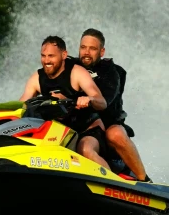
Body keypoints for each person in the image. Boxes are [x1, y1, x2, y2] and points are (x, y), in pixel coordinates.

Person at [19, 36, 109, 169]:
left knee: (85, 150)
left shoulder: (77, 73)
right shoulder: (37, 78)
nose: (46, 61)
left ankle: (112, 184)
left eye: (51, 56)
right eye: (43, 56)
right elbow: (21, 105)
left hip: (88, 129)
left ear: (64, 55)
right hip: (60, 133)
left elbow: (102, 102)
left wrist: (89, 99)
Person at [75, 29, 151, 182]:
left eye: (92, 48)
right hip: (80, 125)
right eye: (83, 47)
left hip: (108, 124)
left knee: (115, 134)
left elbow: (105, 102)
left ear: (102, 51)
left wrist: (89, 99)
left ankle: (145, 181)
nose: (87, 52)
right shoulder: (71, 66)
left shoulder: (111, 72)